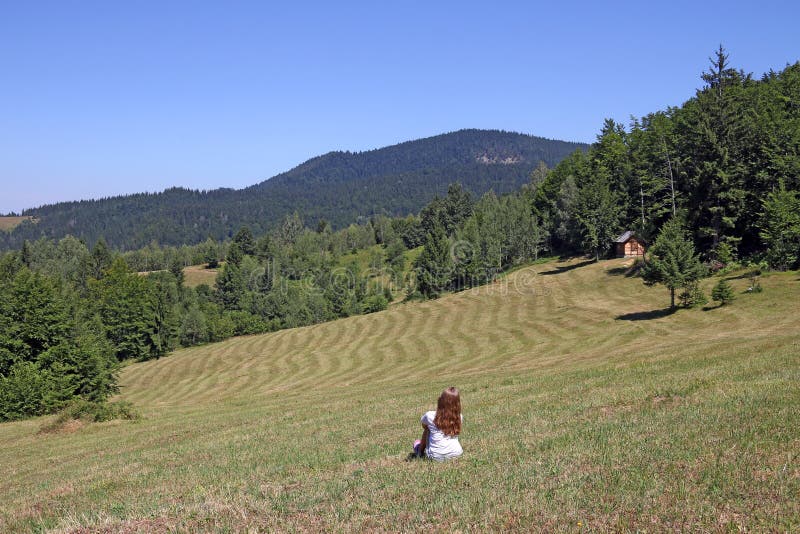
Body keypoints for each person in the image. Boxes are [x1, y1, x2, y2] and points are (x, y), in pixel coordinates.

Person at [412, 386, 463, 461]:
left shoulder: (430, 415)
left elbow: (424, 426)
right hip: (457, 453)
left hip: (436, 456)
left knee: (427, 429)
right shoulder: (459, 417)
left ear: (441, 401)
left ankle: (420, 451)